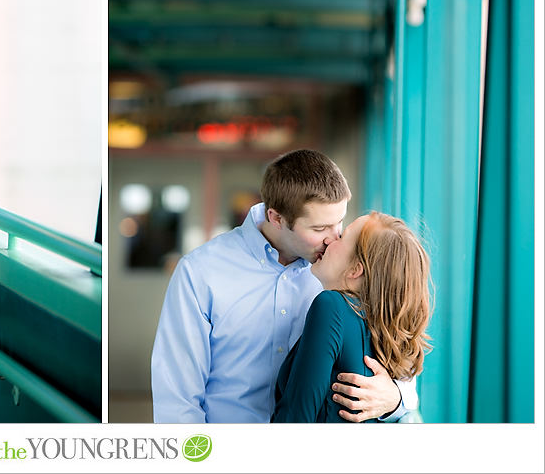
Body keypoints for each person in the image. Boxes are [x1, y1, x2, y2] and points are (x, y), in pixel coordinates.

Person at [151, 148, 416, 423]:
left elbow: (394, 347)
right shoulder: (200, 273)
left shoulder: (339, 273)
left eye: (339, 223)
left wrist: (395, 398)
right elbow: (177, 401)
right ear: (276, 218)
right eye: (319, 229)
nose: (333, 239)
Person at [272, 212, 432, 422]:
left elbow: (295, 418)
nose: (329, 240)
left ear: (356, 269)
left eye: (342, 237)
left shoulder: (331, 306)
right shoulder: (380, 330)